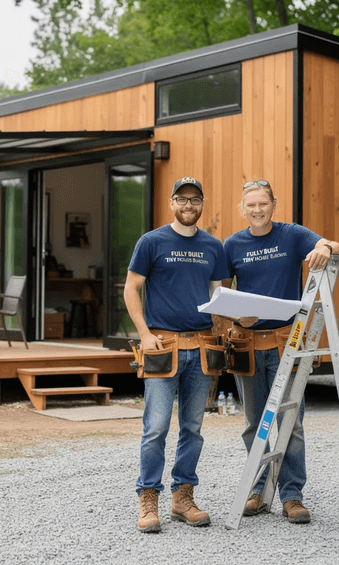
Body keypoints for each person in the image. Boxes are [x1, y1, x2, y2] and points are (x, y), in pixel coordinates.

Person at [222, 179, 339, 524]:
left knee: (291, 421)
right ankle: (258, 489)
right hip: (247, 345)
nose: (257, 210)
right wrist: (234, 314)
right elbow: (219, 290)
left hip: (285, 343)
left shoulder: (291, 235)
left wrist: (326, 249)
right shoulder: (232, 244)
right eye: (251, 205)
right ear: (241, 209)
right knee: (252, 424)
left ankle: (292, 496)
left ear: (273, 205)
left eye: (263, 204)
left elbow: (333, 243)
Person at [124, 176, 229, 533]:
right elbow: (131, 289)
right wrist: (144, 334)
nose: (188, 206)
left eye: (195, 200)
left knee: (193, 428)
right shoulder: (151, 242)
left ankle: (183, 498)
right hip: (162, 347)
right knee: (155, 428)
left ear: (202, 204)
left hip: (201, 347)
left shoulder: (214, 246)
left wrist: (227, 327)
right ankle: (148, 498)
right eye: (182, 200)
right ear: (172, 203)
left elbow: (220, 298)